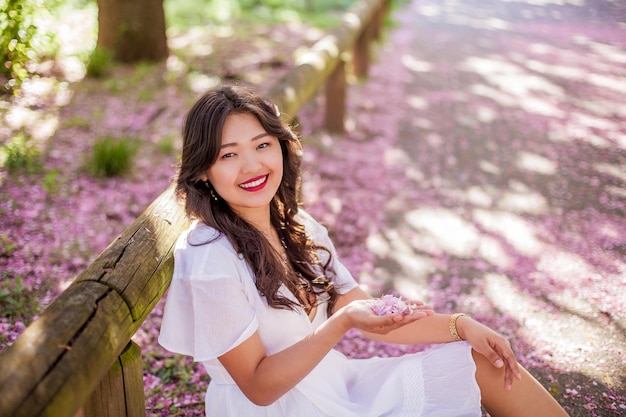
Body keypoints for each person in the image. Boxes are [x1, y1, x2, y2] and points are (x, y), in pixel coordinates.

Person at [158, 85, 569, 417]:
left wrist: (460, 326)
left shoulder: (298, 227)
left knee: (481, 364)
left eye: (262, 144)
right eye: (229, 155)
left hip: (334, 386)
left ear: (281, 146)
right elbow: (259, 387)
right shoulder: (209, 260)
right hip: (274, 408)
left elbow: (373, 317)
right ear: (204, 172)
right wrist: (341, 324)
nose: (252, 166)